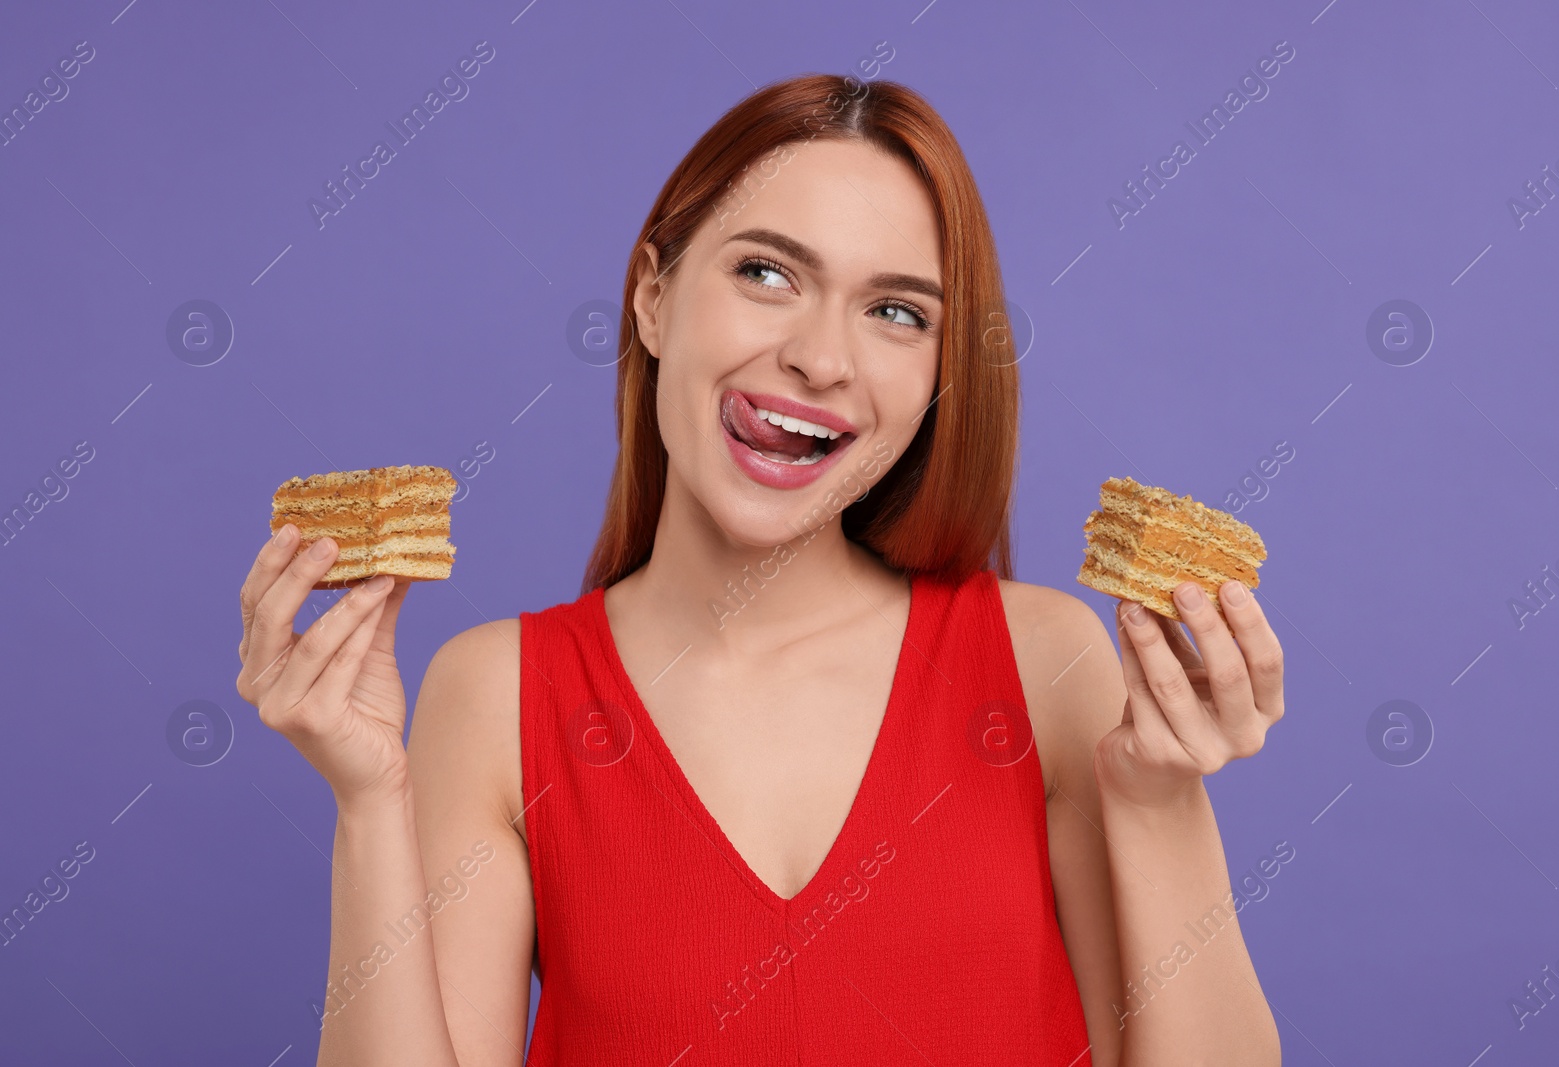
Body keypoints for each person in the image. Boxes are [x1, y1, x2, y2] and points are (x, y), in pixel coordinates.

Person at [236, 73, 1286, 1066]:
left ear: (936, 380)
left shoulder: (1042, 660)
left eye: (896, 312)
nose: (821, 357)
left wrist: (1158, 802)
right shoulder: (500, 691)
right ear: (653, 298)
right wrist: (367, 801)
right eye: (766, 272)